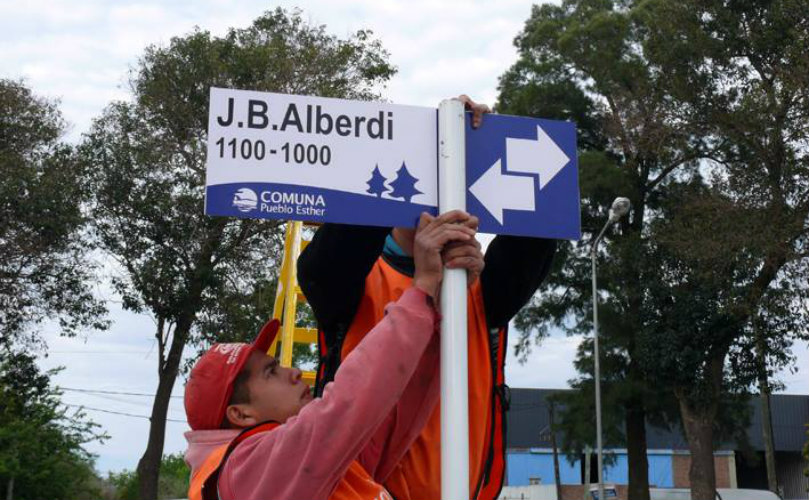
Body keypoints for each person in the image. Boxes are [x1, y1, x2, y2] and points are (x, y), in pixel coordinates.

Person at [297, 95, 558, 500]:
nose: (447, 207)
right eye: (433, 184)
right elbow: (330, 259)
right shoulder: (352, 277)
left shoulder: (480, 288)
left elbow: (536, 229)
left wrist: (492, 140)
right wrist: (396, 143)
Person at [183, 211, 483, 500]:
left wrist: (439, 300)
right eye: (271, 372)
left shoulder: (318, 466)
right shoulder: (246, 472)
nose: (295, 372)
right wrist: (422, 286)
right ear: (241, 414)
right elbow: (352, 400)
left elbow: (392, 416)